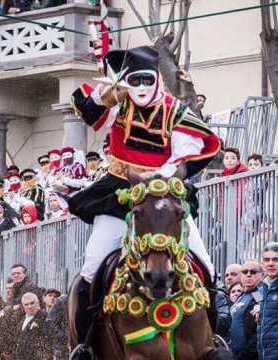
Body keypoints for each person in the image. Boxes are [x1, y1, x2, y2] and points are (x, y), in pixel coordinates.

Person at [68, 46, 221, 350]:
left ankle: (212, 341)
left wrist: (163, 175)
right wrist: (103, 95)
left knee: (207, 266)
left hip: (165, 194)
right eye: (133, 81)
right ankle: (83, 345)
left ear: (156, 80)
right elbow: (86, 108)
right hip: (119, 193)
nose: (139, 88)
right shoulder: (118, 105)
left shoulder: (175, 110)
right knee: (91, 267)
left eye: (145, 81)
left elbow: (192, 149)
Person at [229, 259, 263, 360]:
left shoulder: (258, 295)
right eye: (245, 272)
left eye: (253, 272)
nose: (248, 275)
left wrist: (246, 355)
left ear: (261, 275)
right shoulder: (241, 295)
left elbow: (260, 331)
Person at [14, 292, 53, 360]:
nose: (29, 307)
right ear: (23, 306)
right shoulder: (21, 322)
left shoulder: (45, 318)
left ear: (38, 303)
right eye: (26, 304)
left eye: (32, 303)